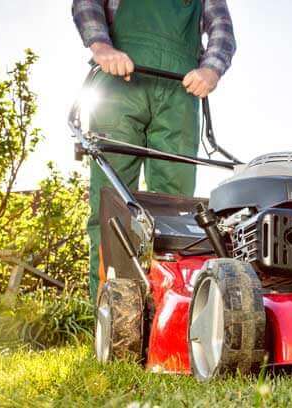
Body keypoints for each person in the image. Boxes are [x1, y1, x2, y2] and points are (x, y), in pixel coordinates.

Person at [71, 0, 236, 302]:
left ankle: (166, 310)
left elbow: (222, 29)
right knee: (112, 204)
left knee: (176, 208)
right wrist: (102, 48)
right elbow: (86, 3)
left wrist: (211, 69)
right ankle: (111, 316)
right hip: (119, 85)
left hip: (180, 93)